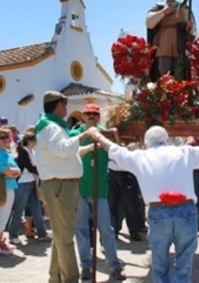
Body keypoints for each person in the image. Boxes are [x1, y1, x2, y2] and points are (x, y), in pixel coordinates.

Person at [89, 126, 199, 283]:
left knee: (159, 261)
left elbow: (115, 150)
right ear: (167, 140)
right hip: (185, 211)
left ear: (145, 143)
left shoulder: (140, 157)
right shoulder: (184, 152)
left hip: (158, 213)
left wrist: (98, 136)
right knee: (184, 261)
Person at [34, 91, 98, 283]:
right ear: (58, 105)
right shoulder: (51, 128)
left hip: (62, 186)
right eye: (65, 103)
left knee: (61, 238)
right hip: (60, 187)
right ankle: (70, 279)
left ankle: (56, 278)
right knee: (65, 240)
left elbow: (68, 151)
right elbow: (63, 150)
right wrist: (85, 134)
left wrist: (87, 146)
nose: (67, 107)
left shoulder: (53, 127)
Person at [70, 104, 125, 281]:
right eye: (88, 114)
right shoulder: (75, 134)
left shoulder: (105, 134)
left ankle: (114, 266)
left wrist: (115, 137)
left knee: (106, 229)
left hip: (100, 190)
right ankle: (86, 266)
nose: (91, 116)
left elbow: (118, 155)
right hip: (80, 189)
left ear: (98, 117)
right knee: (81, 230)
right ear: (83, 116)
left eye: (94, 114)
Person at [146, 0, 196, 82]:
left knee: (179, 74)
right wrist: (164, 12)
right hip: (163, 45)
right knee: (163, 74)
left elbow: (193, 30)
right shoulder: (158, 7)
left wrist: (190, 26)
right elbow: (149, 23)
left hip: (179, 46)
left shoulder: (184, 8)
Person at [7, 133, 50, 244]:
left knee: (36, 208)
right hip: (22, 183)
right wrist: (44, 170)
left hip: (31, 182)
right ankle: (12, 235)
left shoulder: (32, 152)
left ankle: (42, 233)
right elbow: (30, 167)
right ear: (30, 141)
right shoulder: (23, 152)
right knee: (19, 209)